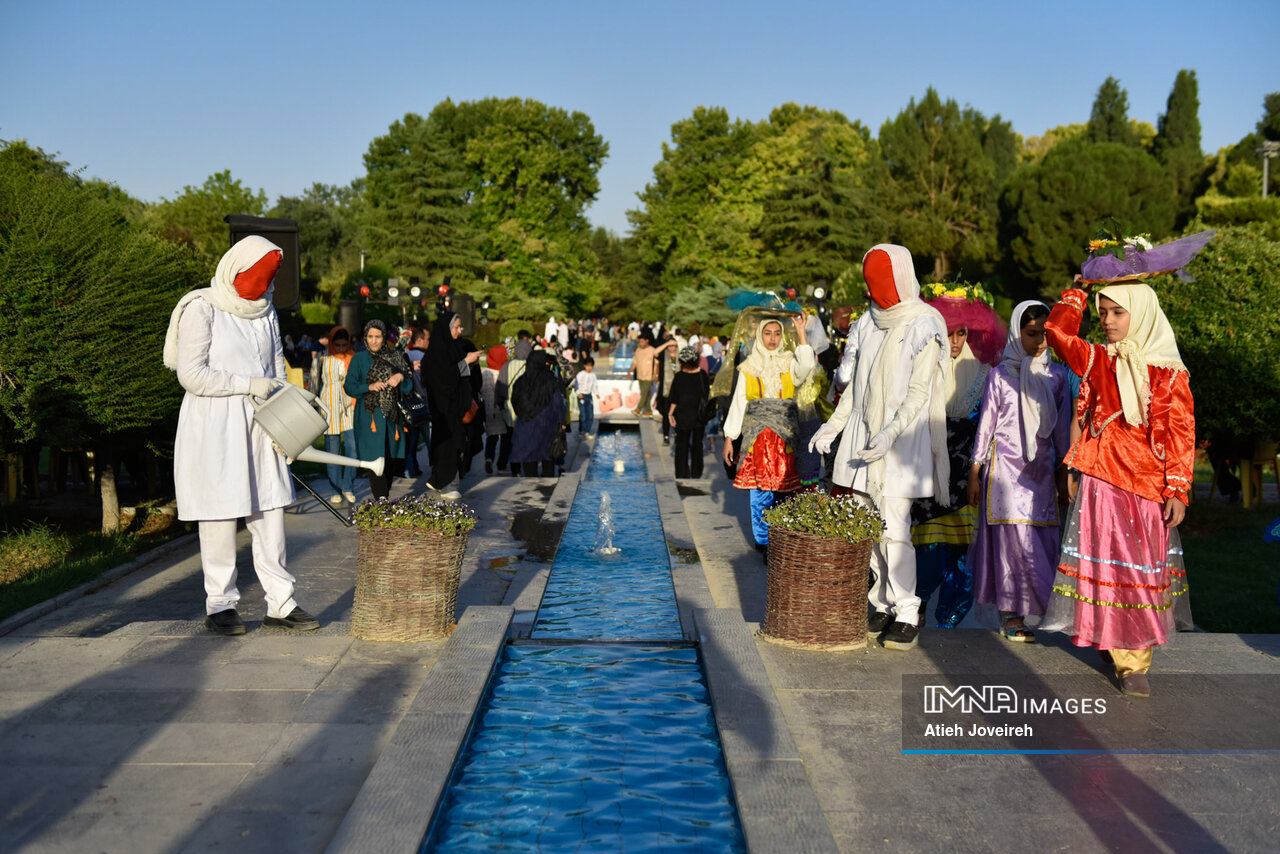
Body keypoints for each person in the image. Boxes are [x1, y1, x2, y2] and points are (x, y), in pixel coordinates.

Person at [1038, 230, 1210, 697]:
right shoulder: (1099, 359)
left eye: (1118, 312)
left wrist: (1178, 489)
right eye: (1103, 313)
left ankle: (1134, 658)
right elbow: (1058, 334)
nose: (1109, 321)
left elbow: (1181, 432)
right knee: (1106, 565)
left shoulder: (1169, 371)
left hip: (1146, 485)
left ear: (1143, 313)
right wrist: (1077, 291)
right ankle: (1111, 638)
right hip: (1100, 479)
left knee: (1136, 568)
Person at [164, 235, 319, 636]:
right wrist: (249, 384)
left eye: (269, 278)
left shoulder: (266, 310)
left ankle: (281, 602)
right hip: (215, 423)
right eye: (257, 276)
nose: (263, 286)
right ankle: (220, 604)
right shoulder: (202, 307)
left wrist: (288, 417)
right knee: (218, 513)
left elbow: (277, 369)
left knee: (270, 511)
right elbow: (191, 374)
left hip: (262, 421)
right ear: (236, 269)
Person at [809, 244, 949, 651]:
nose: (874, 293)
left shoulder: (925, 323)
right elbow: (856, 389)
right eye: (871, 284)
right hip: (861, 437)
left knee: (894, 529)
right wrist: (833, 426)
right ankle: (883, 603)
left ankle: (907, 610)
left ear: (900, 279)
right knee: (866, 528)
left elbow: (920, 392)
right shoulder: (867, 323)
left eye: (881, 283)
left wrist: (890, 433)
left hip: (901, 442)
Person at [966, 302, 1072, 642]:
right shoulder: (1000, 375)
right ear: (1016, 333)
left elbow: (1062, 430)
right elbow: (986, 425)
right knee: (1011, 541)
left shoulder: (1056, 376)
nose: (1039, 342)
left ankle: (1038, 606)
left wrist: (1064, 472)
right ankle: (1011, 613)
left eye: (1045, 334)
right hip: (1004, 473)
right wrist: (975, 470)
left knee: (1038, 539)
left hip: (1041, 472)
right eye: (1031, 334)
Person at [909, 289, 1005, 628]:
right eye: (947, 333)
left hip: (968, 474)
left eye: (960, 333)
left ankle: (949, 619)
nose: (953, 341)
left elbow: (991, 426)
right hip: (929, 467)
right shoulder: (921, 368)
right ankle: (916, 604)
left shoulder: (983, 372)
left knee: (964, 552)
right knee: (929, 545)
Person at [723, 314, 814, 554]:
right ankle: (763, 541)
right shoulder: (749, 367)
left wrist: (801, 333)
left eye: (776, 333)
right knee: (760, 491)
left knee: (784, 489)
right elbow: (739, 402)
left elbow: (806, 367)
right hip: (759, 437)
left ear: (782, 336)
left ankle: (780, 538)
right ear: (760, 335)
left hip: (785, 436)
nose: (772, 338)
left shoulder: (789, 362)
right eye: (767, 333)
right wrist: (730, 437)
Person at [344, 320, 413, 500]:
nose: (374, 341)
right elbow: (349, 386)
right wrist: (369, 386)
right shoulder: (359, 359)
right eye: (370, 337)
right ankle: (381, 501)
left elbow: (409, 388)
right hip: (369, 418)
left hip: (392, 419)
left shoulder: (396, 357)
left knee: (390, 461)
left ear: (384, 338)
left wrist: (400, 377)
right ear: (365, 338)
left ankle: (383, 499)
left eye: (378, 336)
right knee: (374, 460)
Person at [423, 311, 481, 499]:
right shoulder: (437, 352)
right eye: (456, 327)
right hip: (443, 409)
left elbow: (455, 373)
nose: (459, 331)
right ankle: (449, 484)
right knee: (449, 445)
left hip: (454, 407)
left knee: (454, 444)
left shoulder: (453, 347)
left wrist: (468, 363)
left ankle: (440, 480)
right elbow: (443, 376)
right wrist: (466, 362)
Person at [308, 325, 358, 504]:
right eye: (337, 345)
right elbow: (313, 382)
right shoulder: (322, 357)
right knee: (332, 449)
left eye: (344, 345)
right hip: (328, 404)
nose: (341, 348)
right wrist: (310, 403)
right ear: (331, 343)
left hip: (349, 404)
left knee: (353, 447)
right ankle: (335, 489)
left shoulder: (353, 357)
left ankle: (347, 486)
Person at [509, 350, 566, 477]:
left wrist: (524, 413)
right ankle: (548, 484)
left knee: (529, 459)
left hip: (526, 425)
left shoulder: (521, 381)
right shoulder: (550, 380)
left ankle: (530, 484)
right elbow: (558, 402)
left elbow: (515, 400)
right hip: (547, 425)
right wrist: (562, 421)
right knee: (548, 458)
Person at [668, 345, 711, 479]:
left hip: (683, 415)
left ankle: (682, 473)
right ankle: (696, 472)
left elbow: (674, 398)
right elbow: (707, 395)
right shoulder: (702, 375)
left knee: (682, 445)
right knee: (697, 444)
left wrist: (670, 414)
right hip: (699, 415)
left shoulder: (679, 376)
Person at [403, 325, 430, 478]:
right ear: (419, 340)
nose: (429, 342)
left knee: (411, 440)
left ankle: (409, 470)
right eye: (427, 339)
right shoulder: (423, 357)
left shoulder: (406, 355)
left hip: (409, 402)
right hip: (423, 401)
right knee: (429, 438)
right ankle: (437, 469)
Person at [481, 344, 511, 474]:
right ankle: (502, 465)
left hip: (488, 410)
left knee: (492, 437)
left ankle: (489, 458)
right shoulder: (503, 372)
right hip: (502, 408)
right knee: (505, 438)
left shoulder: (485, 372)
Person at [655, 335, 679, 443]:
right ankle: (666, 435)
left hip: (678, 389)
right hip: (666, 390)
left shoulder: (680, 356)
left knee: (678, 413)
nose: (671, 348)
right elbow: (655, 353)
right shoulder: (664, 356)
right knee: (666, 413)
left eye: (673, 345)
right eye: (670, 346)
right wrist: (666, 344)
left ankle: (677, 433)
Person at [632, 332, 657, 416]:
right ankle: (649, 411)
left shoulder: (653, 350)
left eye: (642, 342)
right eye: (639, 342)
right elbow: (635, 362)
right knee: (645, 394)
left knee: (644, 393)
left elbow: (656, 363)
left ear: (647, 341)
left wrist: (656, 375)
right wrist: (629, 371)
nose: (640, 343)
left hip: (649, 376)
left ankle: (638, 409)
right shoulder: (638, 350)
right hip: (640, 375)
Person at [574, 356, 598, 436]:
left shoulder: (593, 375)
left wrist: (596, 393)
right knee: (583, 415)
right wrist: (579, 393)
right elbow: (576, 385)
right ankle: (582, 430)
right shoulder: (580, 374)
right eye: (587, 365)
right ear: (584, 365)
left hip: (589, 396)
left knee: (590, 415)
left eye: (591, 366)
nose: (589, 367)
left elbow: (595, 385)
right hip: (582, 396)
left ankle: (587, 430)